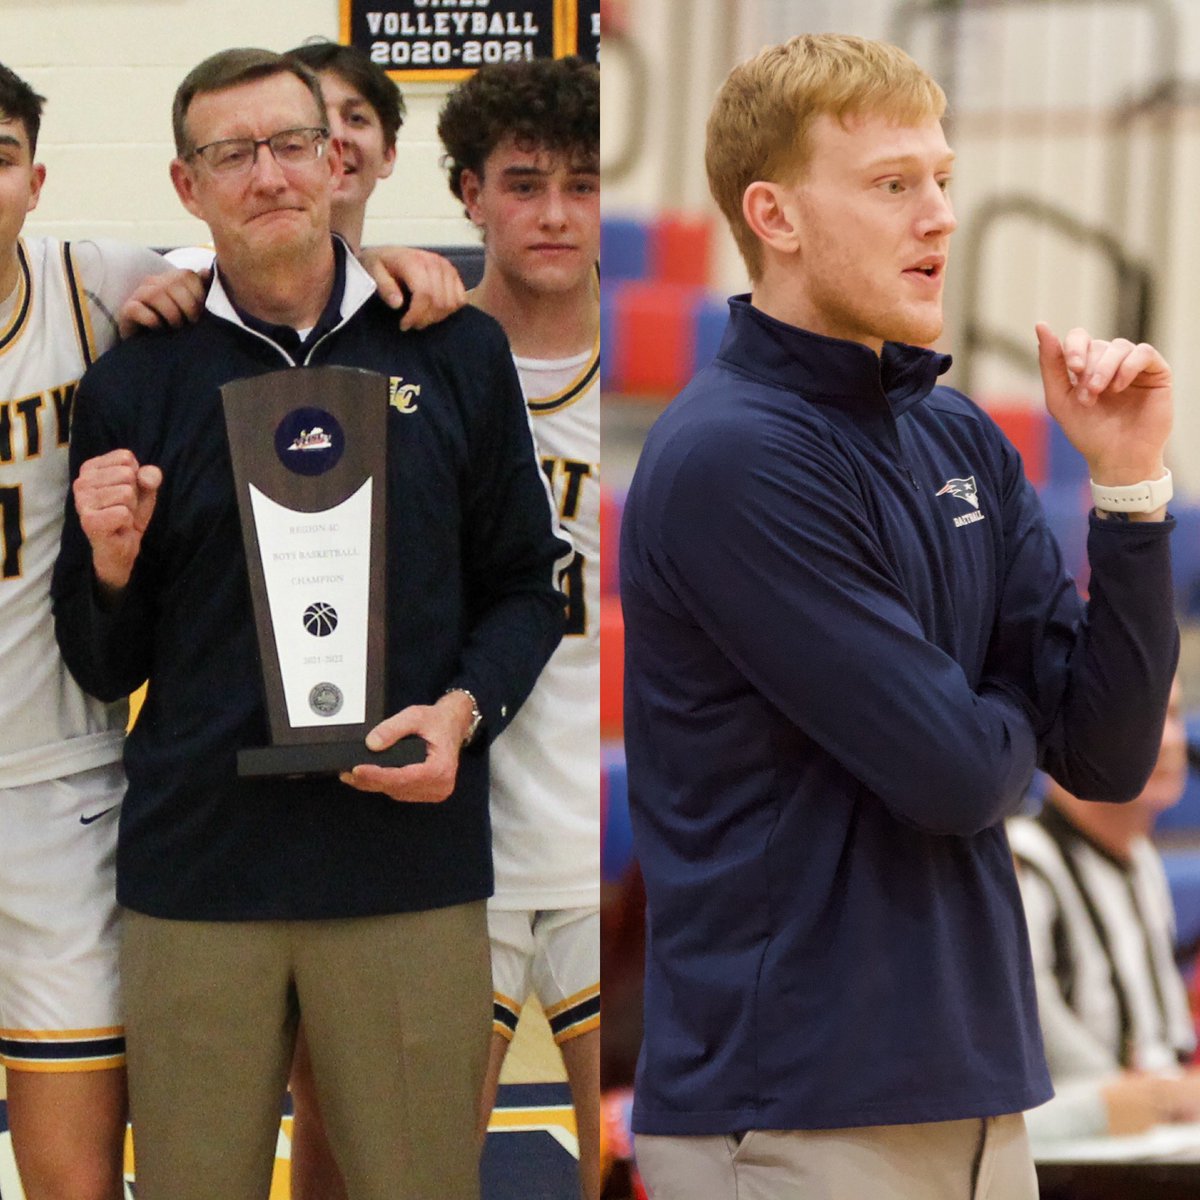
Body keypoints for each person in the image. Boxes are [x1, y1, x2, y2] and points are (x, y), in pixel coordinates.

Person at [620, 32, 1178, 1200]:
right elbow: (959, 779)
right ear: (773, 215)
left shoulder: (957, 431)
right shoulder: (735, 458)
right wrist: (1008, 710)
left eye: (943, 180)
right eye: (891, 186)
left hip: (976, 1098)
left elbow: (1112, 759)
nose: (938, 217)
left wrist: (1127, 492)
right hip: (787, 1115)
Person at [51, 46, 567, 1200]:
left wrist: (463, 714)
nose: (269, 175)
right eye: (231, 154)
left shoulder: (453, 345)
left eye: (291, 144)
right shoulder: (138, 377)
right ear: (190, 189)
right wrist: (112, 565)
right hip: (201, 872)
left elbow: (531, 587)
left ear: (338, 159)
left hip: (406, 866)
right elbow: (98, 658)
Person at [286, 55, 602, 1200]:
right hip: (448, 837)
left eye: (587, 181)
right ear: (469, 192)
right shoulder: (414, 346)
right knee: (395, 1177)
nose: (557, 212)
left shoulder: (675, 391)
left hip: (611, 844)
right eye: (525, 183)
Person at [0, 61, 178, 1200]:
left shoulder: (94, 281)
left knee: (73, 1181)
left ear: (36, 179)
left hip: (54, 788)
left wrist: (399, 260)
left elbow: (285, 286)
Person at [1011, 679, 1200, 1141]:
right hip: (1071, 1147)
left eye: (1174, 716)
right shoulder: (1024, 861)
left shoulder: (1142, 862)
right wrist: (1157, 1097)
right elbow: (1037, 1052)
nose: (1171, 741)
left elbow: (1165, 1048)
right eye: (1147, 716)